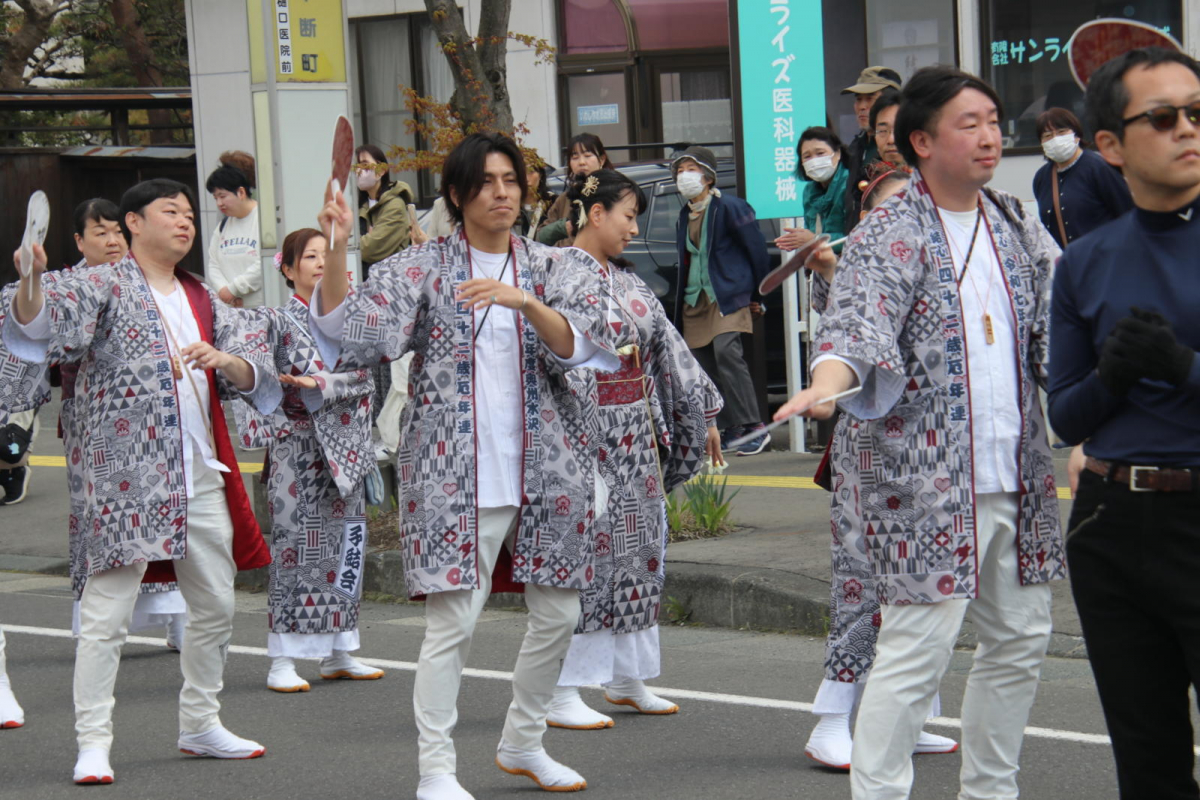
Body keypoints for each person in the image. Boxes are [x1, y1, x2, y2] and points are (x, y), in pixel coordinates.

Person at [778, 66, 1064, 800]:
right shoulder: (891, 228)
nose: (991, 136)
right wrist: (827, 382)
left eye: (994, 121)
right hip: (926, 483)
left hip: (1018, 475)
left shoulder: (1012, 220)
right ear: (921, 143)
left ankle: (991, 790)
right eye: (969, 124)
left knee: (1021, 642)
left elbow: (1064, 322)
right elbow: (858, 322)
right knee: (915, 651)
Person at [309, 132, 618, 799]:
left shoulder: (556, 267)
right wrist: (335, 248)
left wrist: (527, 304)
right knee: (453, 626)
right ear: (457, 194)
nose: (502, 192)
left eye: (511, 180)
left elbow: (587, 347)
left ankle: (524, 742)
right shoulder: (422, 267)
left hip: (549, 470)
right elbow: (356, 334)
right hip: (453, 476)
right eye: (486, 182)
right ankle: (437, 770)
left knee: (561, 614)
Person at [0, 178, 277, 785]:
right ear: (132, 223)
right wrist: (30, 280)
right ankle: (93, 741)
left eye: (188, 213)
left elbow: (251, 357)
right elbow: (40, 322)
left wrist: (226, 360)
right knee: (106, 614)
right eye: (169, 212)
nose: (184, 221)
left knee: (216, 604)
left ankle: (201, 722)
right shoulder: (100, 282)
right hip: (123, 476)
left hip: (200, 469)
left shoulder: (203, 296)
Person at [1047, 46, 1200, 800]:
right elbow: (1065, 411)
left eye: (1198, 114)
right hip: (1109, 521)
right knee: (1147, 760)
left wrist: (1184, 368)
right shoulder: (1084, 263)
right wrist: (1112, 376)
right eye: (1164, 118)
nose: (1188, 131)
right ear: (1110, 144)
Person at [543, 170, 724, 730]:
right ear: (596, 214)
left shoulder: (630, 281)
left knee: (639, 546)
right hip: (582, 429)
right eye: (627, 215)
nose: (634, 227)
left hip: (634, 432)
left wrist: (703, 410)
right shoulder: (553, 273)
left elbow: (667, 343)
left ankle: (627, 675)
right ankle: (563, 685)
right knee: (589, 555)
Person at [799, 169, 958, 769]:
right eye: (889, 208)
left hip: (934, 454)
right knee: (861, 581)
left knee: (923, 587)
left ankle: (907, 714)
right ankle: (832, 718)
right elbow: (858, 331)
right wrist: (831, 270)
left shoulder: (945, 264)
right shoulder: (860, 269)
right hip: (872, 451)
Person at [221, 228, 383, 692]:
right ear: (288, 269)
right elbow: (252, 372)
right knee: (294, 548)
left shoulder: (352, 323)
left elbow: (367, 379)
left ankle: (341, 650)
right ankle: (283, 658)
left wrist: (323, 385)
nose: (319, 263)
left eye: (326, 256)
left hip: (346, 450)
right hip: (296, 447)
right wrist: (289, 391)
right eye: (309, 256)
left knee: (348, 545)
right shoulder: (272, 320)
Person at [61, 198, 189, 650]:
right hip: (95, 426)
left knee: (167, 518)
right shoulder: (74, 287)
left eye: (117, 231)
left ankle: (176, 622)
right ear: (79, 241)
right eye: (100, 233)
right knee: (103, 526)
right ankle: (95, 626)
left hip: (154, 429)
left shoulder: (149, 276)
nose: (112, 241)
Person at [671, 145, 772, 457]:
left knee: (727, 351)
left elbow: (756, 252)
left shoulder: (731, 207)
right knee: (702, 364)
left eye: (691, 168)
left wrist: (758, 295)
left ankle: (755, 425)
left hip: (727, 295)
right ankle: (730, 427)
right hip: (694, 299)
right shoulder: (683, 215)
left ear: (708, 175)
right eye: (680, 170)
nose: (684, 176)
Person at [1032, 107, 1133, 248]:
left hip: (1105, 261)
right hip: (1068, 265)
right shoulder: (1042, 178)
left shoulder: (1099, 168)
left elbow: (1128, 215)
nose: (1055, 139)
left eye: (1061, 132)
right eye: (1048, 136)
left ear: (1076, 135)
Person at [841, 66, 904, 221]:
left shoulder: (902, 150)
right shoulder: (855, 148)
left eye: (870, 98)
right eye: (858, 99)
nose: (862, 107)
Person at [776, 128, 851, 255]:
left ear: (838, 153)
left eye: (820, 153)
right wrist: (801, 241)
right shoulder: (809, 191)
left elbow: (858, 238)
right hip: (822, 268)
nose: (814, 160)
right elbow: (811, 232)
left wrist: (814, 240)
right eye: (807, 156)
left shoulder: (850, 184)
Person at [205, 152, 263, 309]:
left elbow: (266, 263)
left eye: (222, 196)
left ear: (241, 192)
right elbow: (213, 264)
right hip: (232, 312)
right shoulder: (223, 226)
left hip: (263, 310)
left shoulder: (264, 221)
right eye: (215, 198)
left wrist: (234, 289)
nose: (219, 203)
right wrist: (224, 292)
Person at [537, 133, 615, 247]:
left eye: (587, 155)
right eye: (575, 157)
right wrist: (563, 227)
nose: (581, 162)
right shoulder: (564, 199)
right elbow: (540, 238)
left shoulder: (615, 193)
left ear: (601, 160)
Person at [356, 144, 417, 274]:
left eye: (365, 164)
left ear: (382, 170)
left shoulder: (394, 204)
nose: (359, 170)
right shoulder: (359, 206)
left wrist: (358, 242)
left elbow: (370, 249)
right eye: (357, 165)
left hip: (391, 281)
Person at [871, 88, 907, 171]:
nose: (891, 140)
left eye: (898, 130)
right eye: (882, 131)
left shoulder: (932, 180)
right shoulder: (868, 180)